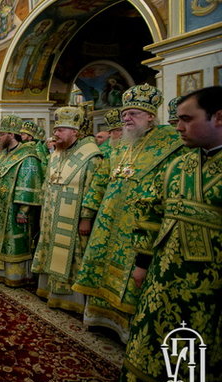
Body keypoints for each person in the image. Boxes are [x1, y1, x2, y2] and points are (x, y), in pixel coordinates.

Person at [117, 86, 222, 382]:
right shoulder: (177, 164)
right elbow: (150, 212)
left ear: (218, 118)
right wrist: (141, 262)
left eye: (187, 119)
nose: (178, 127)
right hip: (163, 281)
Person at [73, 84, 187, 343]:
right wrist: (87, 215)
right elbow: (100, 181)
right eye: (125, 114)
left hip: (139, 227)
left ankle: (127, 330)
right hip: (107, 221)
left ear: (150, 116)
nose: (126, 118)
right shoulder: (120, 145)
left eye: (133, 113)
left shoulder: (170, 144)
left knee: (131, 276)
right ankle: (102, 319)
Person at [32, 107, 104, 314]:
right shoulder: (56, 154)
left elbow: (94, 190)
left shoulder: (91, 157)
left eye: (62, 129)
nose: (56, 133)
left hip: (74, 220)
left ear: (76, 132)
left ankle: (73, 300)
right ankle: (49, 291)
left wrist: (86, 218)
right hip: (50, 215)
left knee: (72, 255)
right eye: (56, 129)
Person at [0, 115, 43, 286]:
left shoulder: (28, 156)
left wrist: (23, 210)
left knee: (12, 242)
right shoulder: (2, 155)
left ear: (12, 135)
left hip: (13, 209)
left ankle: (15, 276)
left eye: (2, 133)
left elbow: (28, 185)